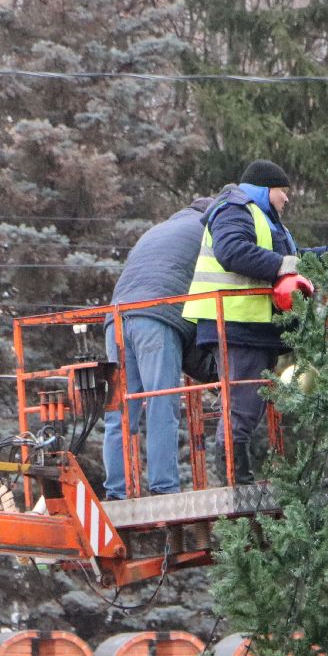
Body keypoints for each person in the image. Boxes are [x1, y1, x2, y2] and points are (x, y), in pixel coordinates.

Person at [182, 159, 313, 484]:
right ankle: (234, 478)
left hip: (252, 326)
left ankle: (237, 474)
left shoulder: (266, 221)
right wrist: (283, 266)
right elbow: (232, 251)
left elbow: (292, 261)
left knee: (248, 404)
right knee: (242, 404)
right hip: (236, 325)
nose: (287, 199)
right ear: (265, 190)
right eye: (283, 191)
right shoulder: (234, 209)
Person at [101, 195, 215, 500]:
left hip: (116, 320)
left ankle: (116, 492)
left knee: (120, 411)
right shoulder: (209, 231)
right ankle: (164, 489)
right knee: (161, 404)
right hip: (156, 318)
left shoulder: (157, 231)